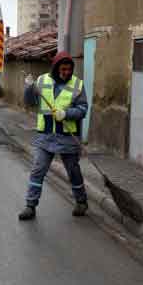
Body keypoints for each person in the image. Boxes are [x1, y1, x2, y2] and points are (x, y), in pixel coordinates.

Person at [19, 51, 89, 220]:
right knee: (38, 170)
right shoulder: (42, 81)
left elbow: (82, 109)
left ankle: (81, 201)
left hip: (67, 137)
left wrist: (66, 114)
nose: (66, 72)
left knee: (73, 171)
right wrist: (29, 87)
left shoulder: (77, 85)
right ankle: (30, 205)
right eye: (63, 69)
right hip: (46, 136)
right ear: (56, 68)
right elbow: (29, 102)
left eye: (69, 69)